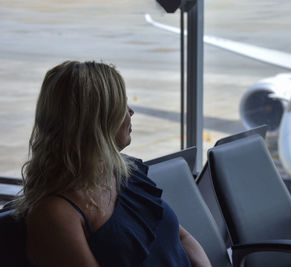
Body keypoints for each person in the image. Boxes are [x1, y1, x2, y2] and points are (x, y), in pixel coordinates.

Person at [14, 61, 211, 267]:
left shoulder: (124, 173)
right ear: (98, 120)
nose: (131, 112)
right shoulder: (56, 214)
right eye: (122, 105)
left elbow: (182, 239)